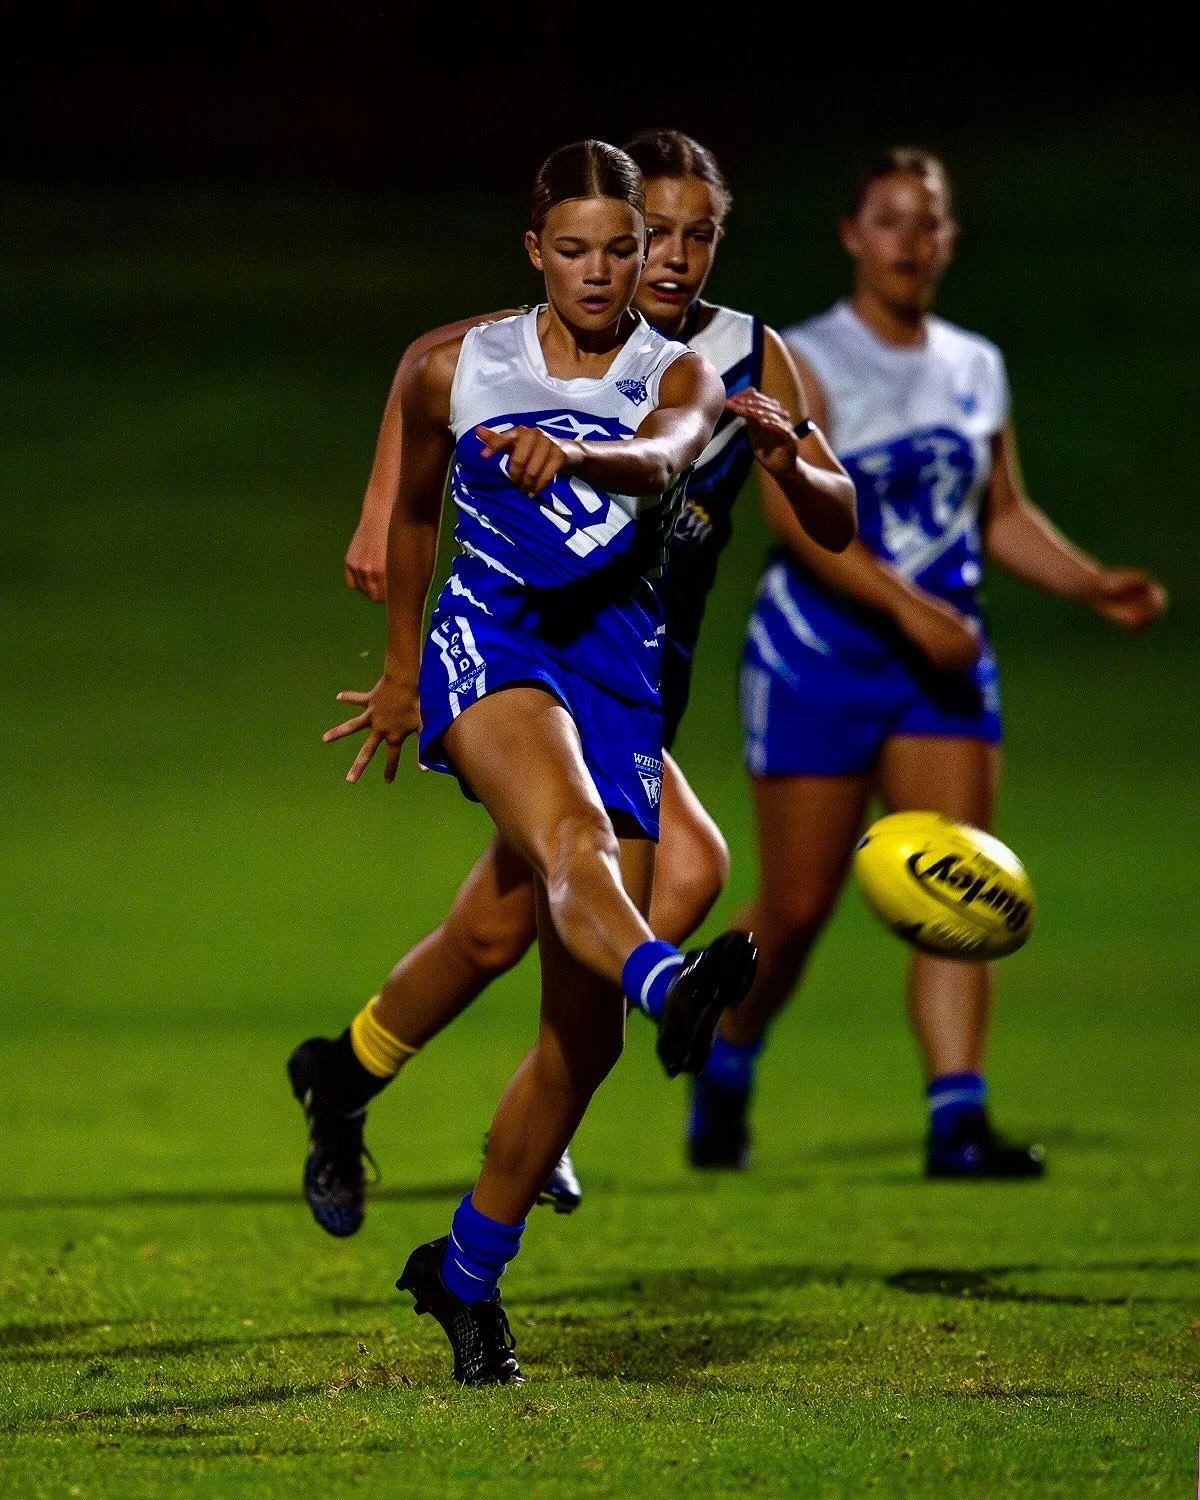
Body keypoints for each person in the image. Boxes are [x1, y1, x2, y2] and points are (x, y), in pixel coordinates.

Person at [291, 131, 855, 1235]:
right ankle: (530, 1119)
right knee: (657, 875)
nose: (675, 259)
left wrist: (802, 465)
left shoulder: (735, 360)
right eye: (663, 234)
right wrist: (381, 513)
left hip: (632, 675)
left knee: (504, 928)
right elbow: (432, 366)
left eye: (700, 235)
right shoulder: (543, 341)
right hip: (529, 659)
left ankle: (348, 1075)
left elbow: (817, 509)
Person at [700, 147, 1166, 1177]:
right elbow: (791, 512)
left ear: (951, 239)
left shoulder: (973, 365)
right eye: (892, 220)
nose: (914, 241)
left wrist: (1089, 583)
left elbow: (998, 514)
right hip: (820, 656)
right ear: (851, 234)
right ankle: (728, 1054)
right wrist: (912, 614)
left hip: (942, 666)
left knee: (951, 887)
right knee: (798, 904)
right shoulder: (804, 358)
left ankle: (957, 1119)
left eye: (933, 222)